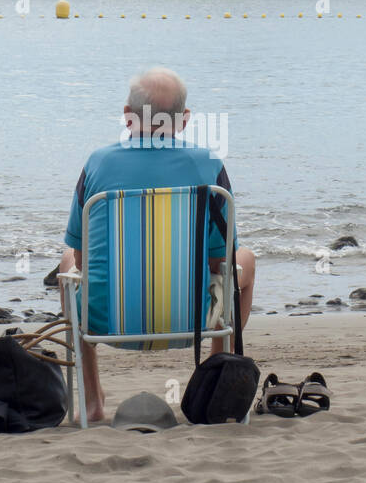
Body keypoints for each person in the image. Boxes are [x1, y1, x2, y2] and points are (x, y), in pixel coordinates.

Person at [57, 67, 256, 423]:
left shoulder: (97, 163)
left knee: (65, 264)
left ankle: (92, 401)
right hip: (190, 319)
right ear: (185, 120)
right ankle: (212, 384)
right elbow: (218, 262)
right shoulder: (209, 165)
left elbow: (83, 260)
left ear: (127, 116)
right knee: (246, 260)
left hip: (106, 321)